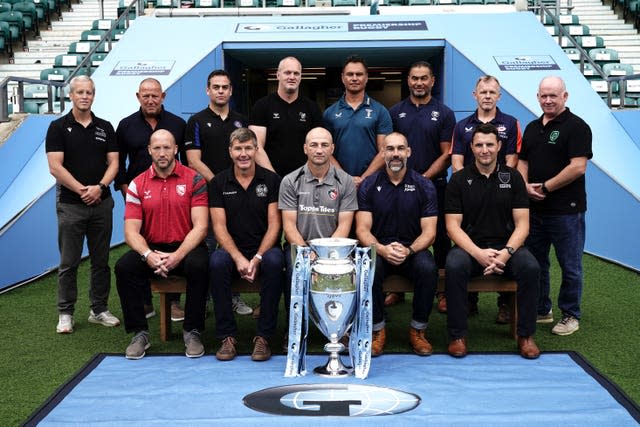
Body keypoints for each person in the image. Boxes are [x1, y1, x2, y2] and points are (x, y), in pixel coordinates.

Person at [444, 123, 540, 359]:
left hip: (508, 249)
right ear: (472, 147)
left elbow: (523, 224)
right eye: (479, 145)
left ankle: (525, 335)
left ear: (499, 146)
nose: (484, 149)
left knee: (531, 267)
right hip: (470, 249)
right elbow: (452, 227)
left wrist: (505, 253)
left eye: (489, 144)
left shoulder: (513, 177)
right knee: (454, 266)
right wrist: (478, 253)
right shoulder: (458, 180)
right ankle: (458, 336)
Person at [115, 130, 209, 360]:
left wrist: (177, 255)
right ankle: (140, 334)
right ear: (149, 150)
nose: (162, 153)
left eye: (167, 147)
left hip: (186, 247)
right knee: (124, 267)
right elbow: (130, 231)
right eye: (157, 148)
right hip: (152, 248)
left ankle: (192, 331)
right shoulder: (137, 184)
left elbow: (201, 227)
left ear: (176, 149)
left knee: (200, 265)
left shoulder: (195, 179)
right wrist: (148, 254)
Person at [518, 76, 592, 336]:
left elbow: (578, 167)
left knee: (570, 265)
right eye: (543, 96)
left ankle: (570, 314)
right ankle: (541, 309)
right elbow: (523, 161)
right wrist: (524, 185)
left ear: (565, 96)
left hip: (566, 211)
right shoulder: (531, 127)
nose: (548, 100)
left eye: (553, 95)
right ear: (538, 97)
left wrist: (546, 187)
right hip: (535, 211)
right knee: (536, 263)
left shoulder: (577, 127)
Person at [46, 75, 120, 334]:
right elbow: (55, 166)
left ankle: (98, 309)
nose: (84, 96)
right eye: (79, 92)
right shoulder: (57, 127)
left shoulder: (105, 127)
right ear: (71, 95)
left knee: (101, 260)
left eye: (88, 92)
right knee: (69, 262)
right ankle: (65, 313)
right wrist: (81, 190)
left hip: (101, 203)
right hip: (70, 205)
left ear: (94, 95)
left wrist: (99, 188)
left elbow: (114, 163)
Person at [356, 132, 438, 357]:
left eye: (400, 149)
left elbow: (430, 232)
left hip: (412, 249)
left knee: (428, 269)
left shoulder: (424, 185)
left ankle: (418, 331)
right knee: (368, 267)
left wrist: (409, 250)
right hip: (380, 249)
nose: (395, 154)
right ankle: (377, 331)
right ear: (382, 153)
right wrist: (381, 249)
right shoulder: (369, 185)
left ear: (408, 152)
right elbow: (362, 228)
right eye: (390, 149)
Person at [449, 75, 523, 321]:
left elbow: (511, 160)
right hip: (470, 193)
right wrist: (469, 186)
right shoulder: (462, 126)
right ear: (475, 95)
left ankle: (505, 305)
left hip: (501, 193)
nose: (488, 96)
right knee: (464, 246)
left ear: (499, 96)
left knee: (509, 240)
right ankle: (469, 302)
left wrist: (498, 185)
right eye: (483, 92)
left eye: (492, 92)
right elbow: (457, 161)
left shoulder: (511, 123)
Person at [209, 128, 284, 362]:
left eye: (248, 148)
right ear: (230, 151)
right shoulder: (218, 182)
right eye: (238, 148)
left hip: (265, 249)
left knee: (275, 261)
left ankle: (263, 337)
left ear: (256, 149)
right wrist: (239, 258)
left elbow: (275, 226)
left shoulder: (271, 180)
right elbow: (219, 227)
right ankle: (227, 336)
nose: (243, 154)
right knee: (217, 261)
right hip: (233, 252)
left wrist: (258, 257)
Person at [115, 78, 187, 322]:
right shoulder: (126, 126)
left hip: (174, 197)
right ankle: (145, 301)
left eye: (155, 95)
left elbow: (186, 162)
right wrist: (129, 192)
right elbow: (119, 163)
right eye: (145, 95)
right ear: (138, 97)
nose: (150, 99)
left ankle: (175, 302)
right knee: (141, 248)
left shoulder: (178, 124)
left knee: (174, 242)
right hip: (140, 197)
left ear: (163, 96)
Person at [387, 60, 456, 310]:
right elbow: (390, 148)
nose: (419, 82)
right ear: (408, 81)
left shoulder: (445, 113)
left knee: (439, 239)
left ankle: (441, 291)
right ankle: (397, 290)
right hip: (397, 186)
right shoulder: (395, 112)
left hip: (432, 185)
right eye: (414, 78)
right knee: (401, 232)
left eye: (423, 78)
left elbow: (447, 153)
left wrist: (423, 179)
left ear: (432, 81)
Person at [184, 69, 252, 316]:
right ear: (207, 90)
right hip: (209, 193)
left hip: (241, 193)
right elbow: (193, 160)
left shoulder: (241, 120)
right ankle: (204, 299)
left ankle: (233, 296)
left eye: (225, 87)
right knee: (211, 246)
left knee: (234, 242)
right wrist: (220, 184)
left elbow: (250, 153)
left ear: (231, 90)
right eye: (216, 87)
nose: (220, 91)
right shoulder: (197, 121)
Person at [279, 127, 358, 314]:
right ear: (305, 148)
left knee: (347, 271)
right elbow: (289, 226)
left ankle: (339, 328)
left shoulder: (345, 181)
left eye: (324, 145)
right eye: (314, 145)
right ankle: (294, 329)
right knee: (294, 269)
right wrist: (306, 252)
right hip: (300, 247)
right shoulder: (290, 181)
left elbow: (345, 225)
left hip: (335, 250)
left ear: (332, 148)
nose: (319, 150)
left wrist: (326, 254)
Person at [323, 55, 393, 186]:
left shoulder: (380, 111)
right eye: (350, 74)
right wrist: (345, 178)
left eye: (359, 74)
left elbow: (385, 150)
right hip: (337, 183)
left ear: (366, 78)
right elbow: (325, 150)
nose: (354, 78)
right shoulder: (329, 113)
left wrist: (364, 178)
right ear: (343, 78)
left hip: (372, 182)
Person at [249, 56, 324, 177]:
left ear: (300, 77)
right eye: (287, 73)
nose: (292, 77)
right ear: (278, 75)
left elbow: (318, 147)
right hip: (270, 179)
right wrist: (275, 179)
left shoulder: (312, 108)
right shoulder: (262, 106)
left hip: (305, 179)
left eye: (296, 73)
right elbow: (256, 147)